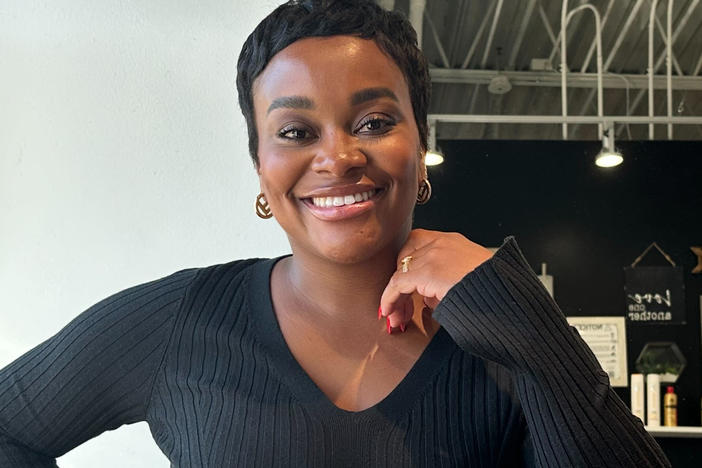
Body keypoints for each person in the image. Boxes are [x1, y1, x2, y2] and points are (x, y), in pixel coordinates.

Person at [0, 0, 670, 466]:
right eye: (295, 132)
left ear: (421, 143)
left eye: (375, 121)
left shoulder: (501, 331)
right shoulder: (181, 323)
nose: (339, 156)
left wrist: (530, 329)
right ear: (261, 164)